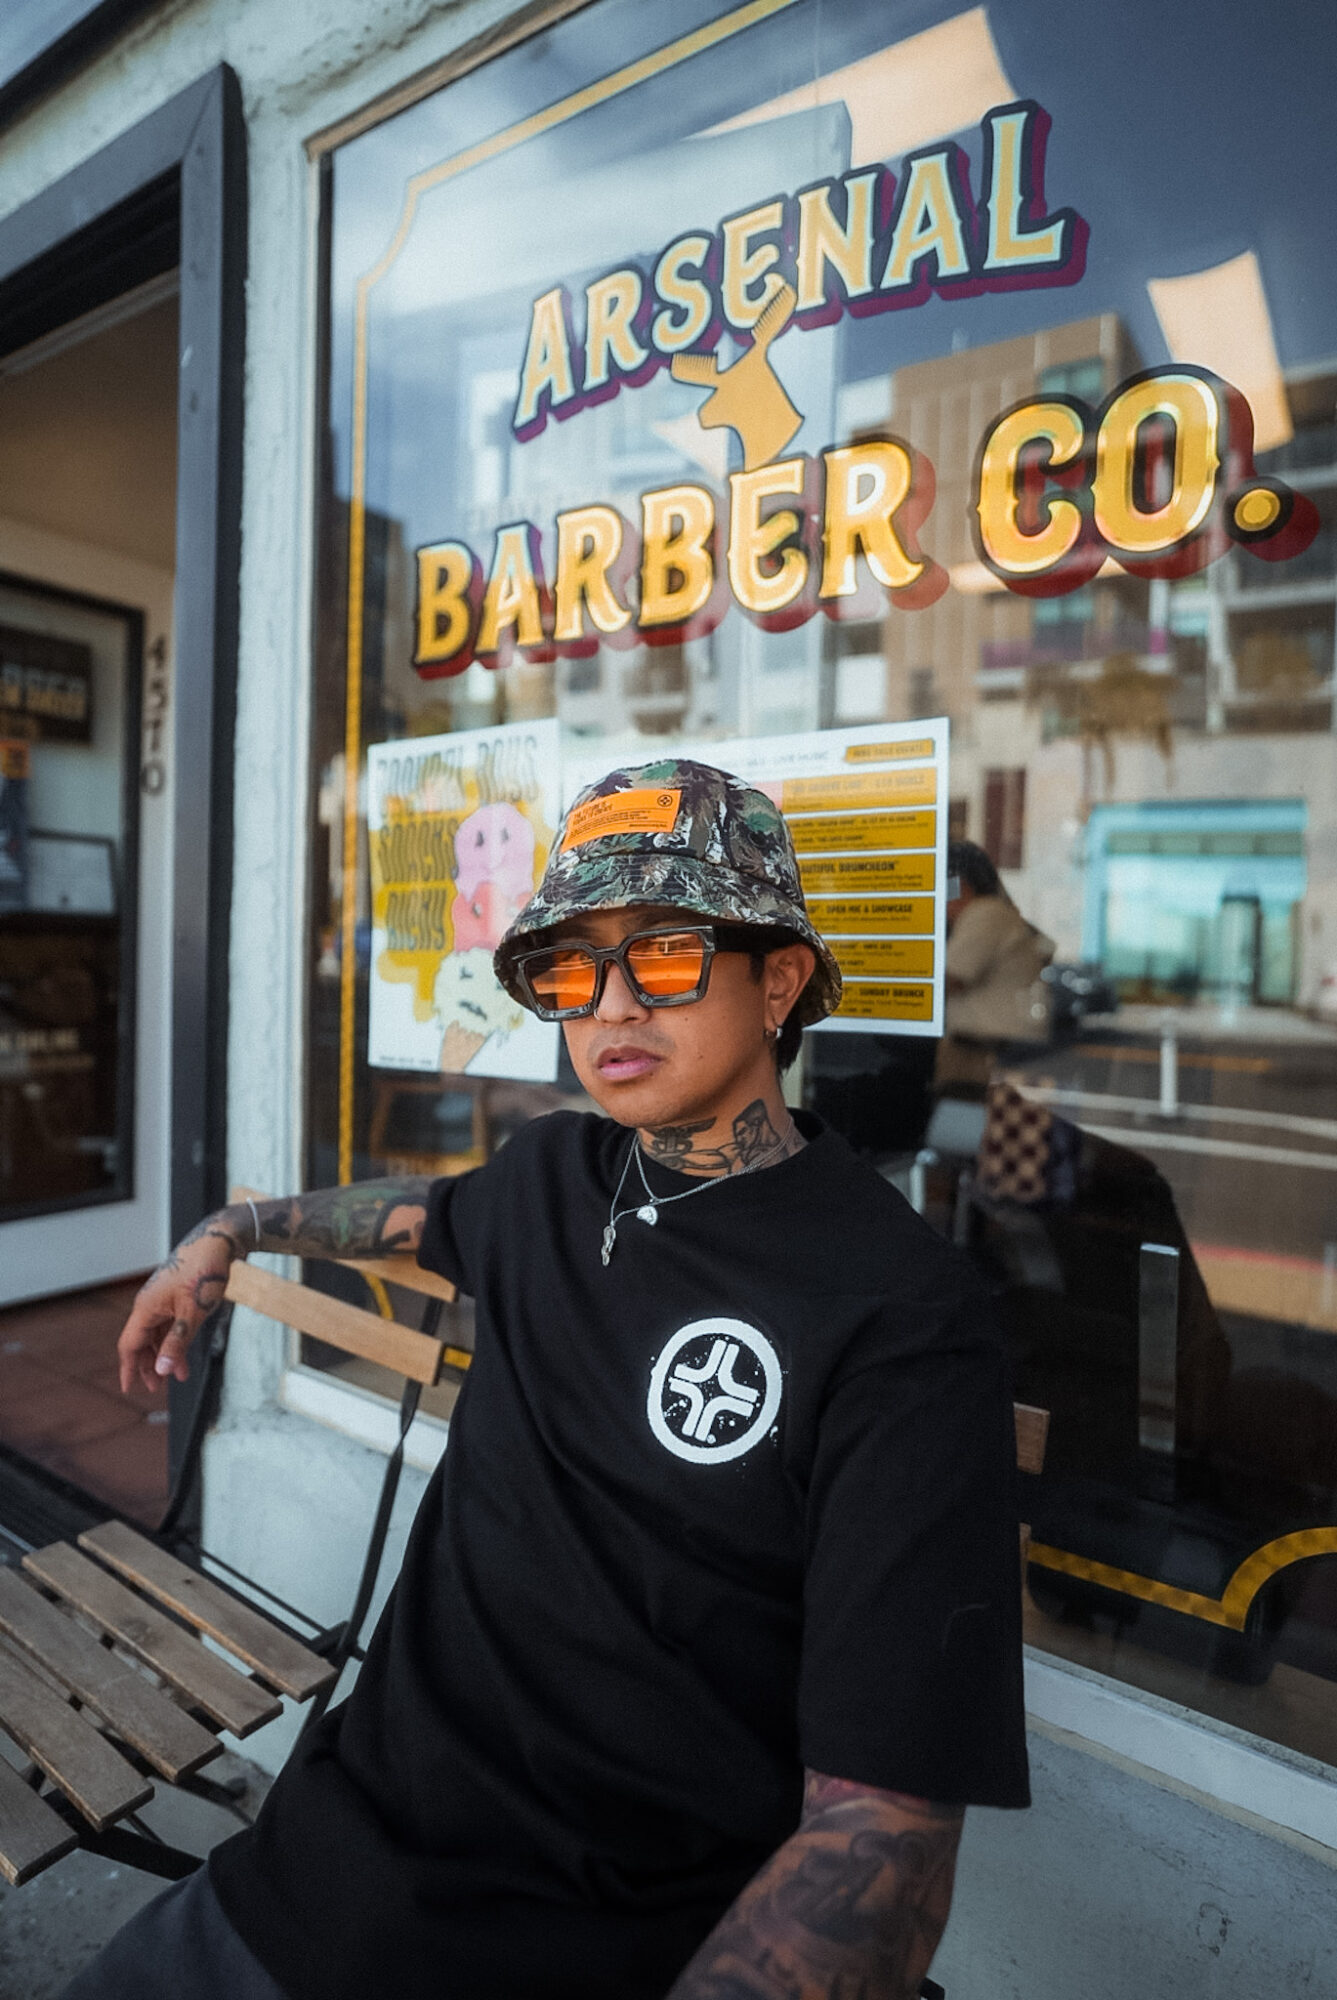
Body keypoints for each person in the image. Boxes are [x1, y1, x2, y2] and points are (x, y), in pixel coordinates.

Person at [74, 760, 1028, 2000]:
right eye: (571, 970)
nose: (611, 1004)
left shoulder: (899, 1314)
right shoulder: (550, 1176)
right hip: (312, 1865)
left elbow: (883, 1831)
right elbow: (412, 1215)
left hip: (590, 1941)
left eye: (665, 953)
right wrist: (234, 1228)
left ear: (779, 979)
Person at [935, 840, 1056, 1096]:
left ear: (959, 885)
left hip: (981, 1048)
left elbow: (951, 979)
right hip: (993, 1045)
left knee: (959, 1112)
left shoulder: (984, 914)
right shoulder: (998, 913)